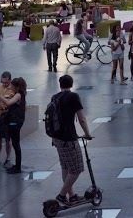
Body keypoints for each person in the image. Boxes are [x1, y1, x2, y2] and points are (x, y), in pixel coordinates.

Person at [47, 74, 91, 206]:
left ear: (60, 85)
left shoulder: (55, 97)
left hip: (56, 138)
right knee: (76, 169)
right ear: (71, 84)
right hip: (68, 138)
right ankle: (61, 195)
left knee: (65, 166)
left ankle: (71, 196)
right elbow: (82, 118)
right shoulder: (73, 96)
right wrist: (87, 134)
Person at [0, 77, 26, 173]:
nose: (10, 87)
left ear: (16, 86)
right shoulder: (19, 94)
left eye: (12, 85)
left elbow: (8, 103)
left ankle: (18, 167)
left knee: (16, 144)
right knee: (15, 143)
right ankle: (17, 165)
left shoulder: (18, 95)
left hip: (15, 121)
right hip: (14, 120)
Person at [0, 71, 15, 167]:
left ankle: (8, 158)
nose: (4, 84)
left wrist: (2, 99)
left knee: (8, 138)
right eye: (3, 82)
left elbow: (10, 102)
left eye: (6, 82)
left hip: (6, 116)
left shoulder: (12, 90)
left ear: (10, 80)